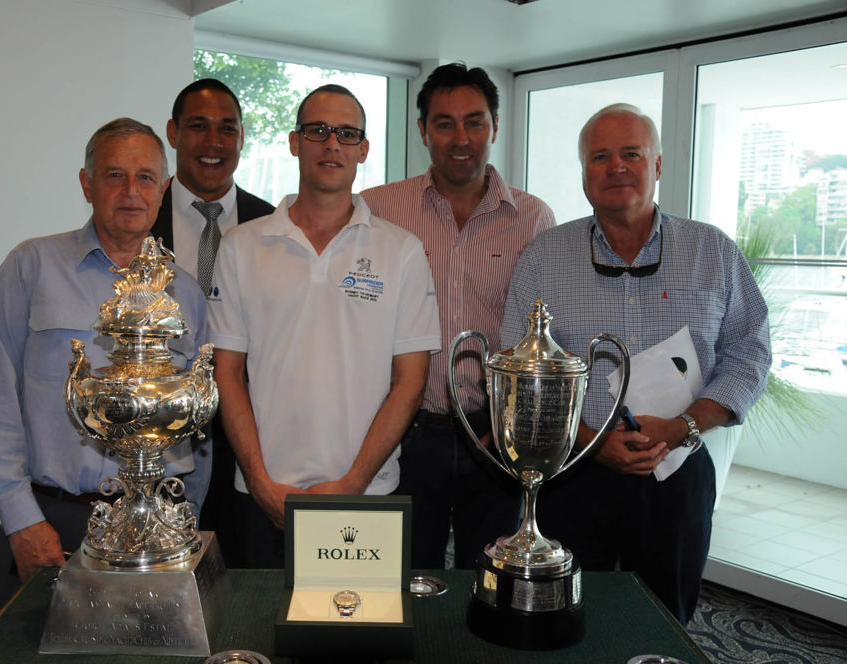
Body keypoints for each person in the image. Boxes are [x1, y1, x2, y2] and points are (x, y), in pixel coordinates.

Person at [500, 103, 770, 624]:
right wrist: (589, 442)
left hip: (678, 468)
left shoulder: (711, 251)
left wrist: (683, 425)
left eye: (631, 154)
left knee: (666, 617)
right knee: (570, 616)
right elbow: (520, 373)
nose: (615, 167)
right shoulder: (544, 257)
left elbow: (750, 352)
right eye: (599, 157)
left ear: (659, 166)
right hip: (574, 473)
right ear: (584, 173)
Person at [0, 118, 209, 616]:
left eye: (145, 178)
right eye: (114, 175)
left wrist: (191, 519)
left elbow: (198, 420)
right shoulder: (31, 266)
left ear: (163, 190)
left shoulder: (185, 292)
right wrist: (20, 520)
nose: (130, 191)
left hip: (160, 526)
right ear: (86, 183)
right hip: (53, 522)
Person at [209, 85, 442, 567]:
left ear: (363, 150)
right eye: (317, 130)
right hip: (263, 496)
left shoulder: (401, 251)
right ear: (295, 142)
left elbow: (411, 382)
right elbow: (225, 373)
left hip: (367, 497)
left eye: (346, 133)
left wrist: (353, 485)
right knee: (258, 636)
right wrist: (258, 481)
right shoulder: (240, 246)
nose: (331, 143)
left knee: (357, 639)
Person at [361, 63, 555, 570]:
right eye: (444, 123)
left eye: (475, 121)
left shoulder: (533, 219)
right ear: (423, 130)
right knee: (399, 573)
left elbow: (543, 333)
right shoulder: (378, 209)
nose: (460, 138)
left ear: (495, 125)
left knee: (490, 577)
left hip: (493, 436)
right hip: (405, 430)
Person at [150, 78, 274, 566]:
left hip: (252, 443)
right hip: (161, 445)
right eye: (198, 127)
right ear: (173, 133)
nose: (214, 142)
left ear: (242, 139)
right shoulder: (139, 218)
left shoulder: (273, 226)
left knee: (246, 579)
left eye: (228, 129)